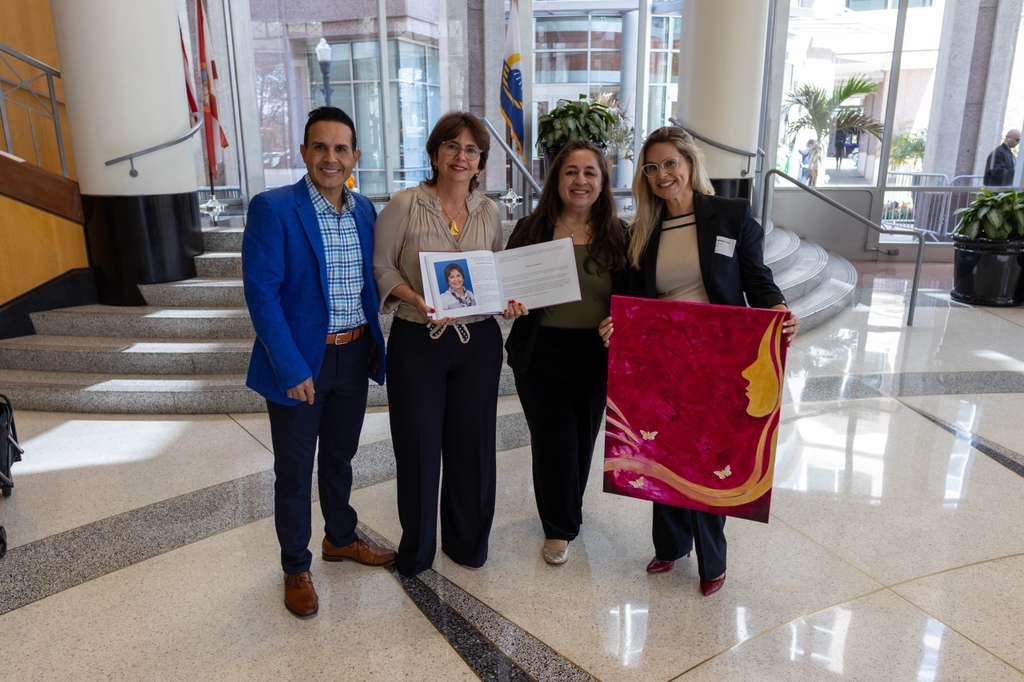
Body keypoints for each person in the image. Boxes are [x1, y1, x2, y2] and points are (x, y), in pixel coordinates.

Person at [602, 126, 800, 597]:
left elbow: (757, 277)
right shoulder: (641, 231)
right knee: (663, 451)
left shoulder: (730, 215)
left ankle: (713, 560)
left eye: (670, 163)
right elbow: (630, 297)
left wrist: (777, 310)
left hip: (718, 358)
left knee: (709, 459)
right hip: (663, 359)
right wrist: (615, 324)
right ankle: (671, 546)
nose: (663, 175)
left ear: (690, 164)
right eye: (653, 168)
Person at [242, 107, 396, 618]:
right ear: (304, 152)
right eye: (320, 147)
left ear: (356, 156)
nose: (331, 158)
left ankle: (341, 538)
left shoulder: (365, 211)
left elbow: (374, 278)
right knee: (293, 470)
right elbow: (262, 295)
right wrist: (290, 367)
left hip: (353, 354)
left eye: (341, 148)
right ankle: (295, 566)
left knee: (339, 458)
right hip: (300, 362)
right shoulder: (274, 208)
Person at [374, 112, 527, 577]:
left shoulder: (489, 211)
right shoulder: (405, 204)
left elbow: (493, 271)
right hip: (419, 338)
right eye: (452, 146)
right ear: (435, 153)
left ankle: (468, 543)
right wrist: (414, 297)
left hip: (477, 341)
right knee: (418, 446)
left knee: (473, 445)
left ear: (481, 161)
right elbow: (382, 267)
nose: (462, 157)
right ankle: (418, 549)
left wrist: (506, 300)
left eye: (471, 150)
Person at [505, 140, 631, 566]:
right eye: (571, 172)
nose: (580, 180)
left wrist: (621, 321)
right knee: (552, 440)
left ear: (603, 181)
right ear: (556, 179)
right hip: (541, 352)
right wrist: (511, 303)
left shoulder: (619, 234)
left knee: (582, 439)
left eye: (590, 172)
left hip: (596, 353)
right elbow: (508, 288)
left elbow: (633, 297)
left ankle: (567, 509)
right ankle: (558, 527)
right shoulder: (531, 229)